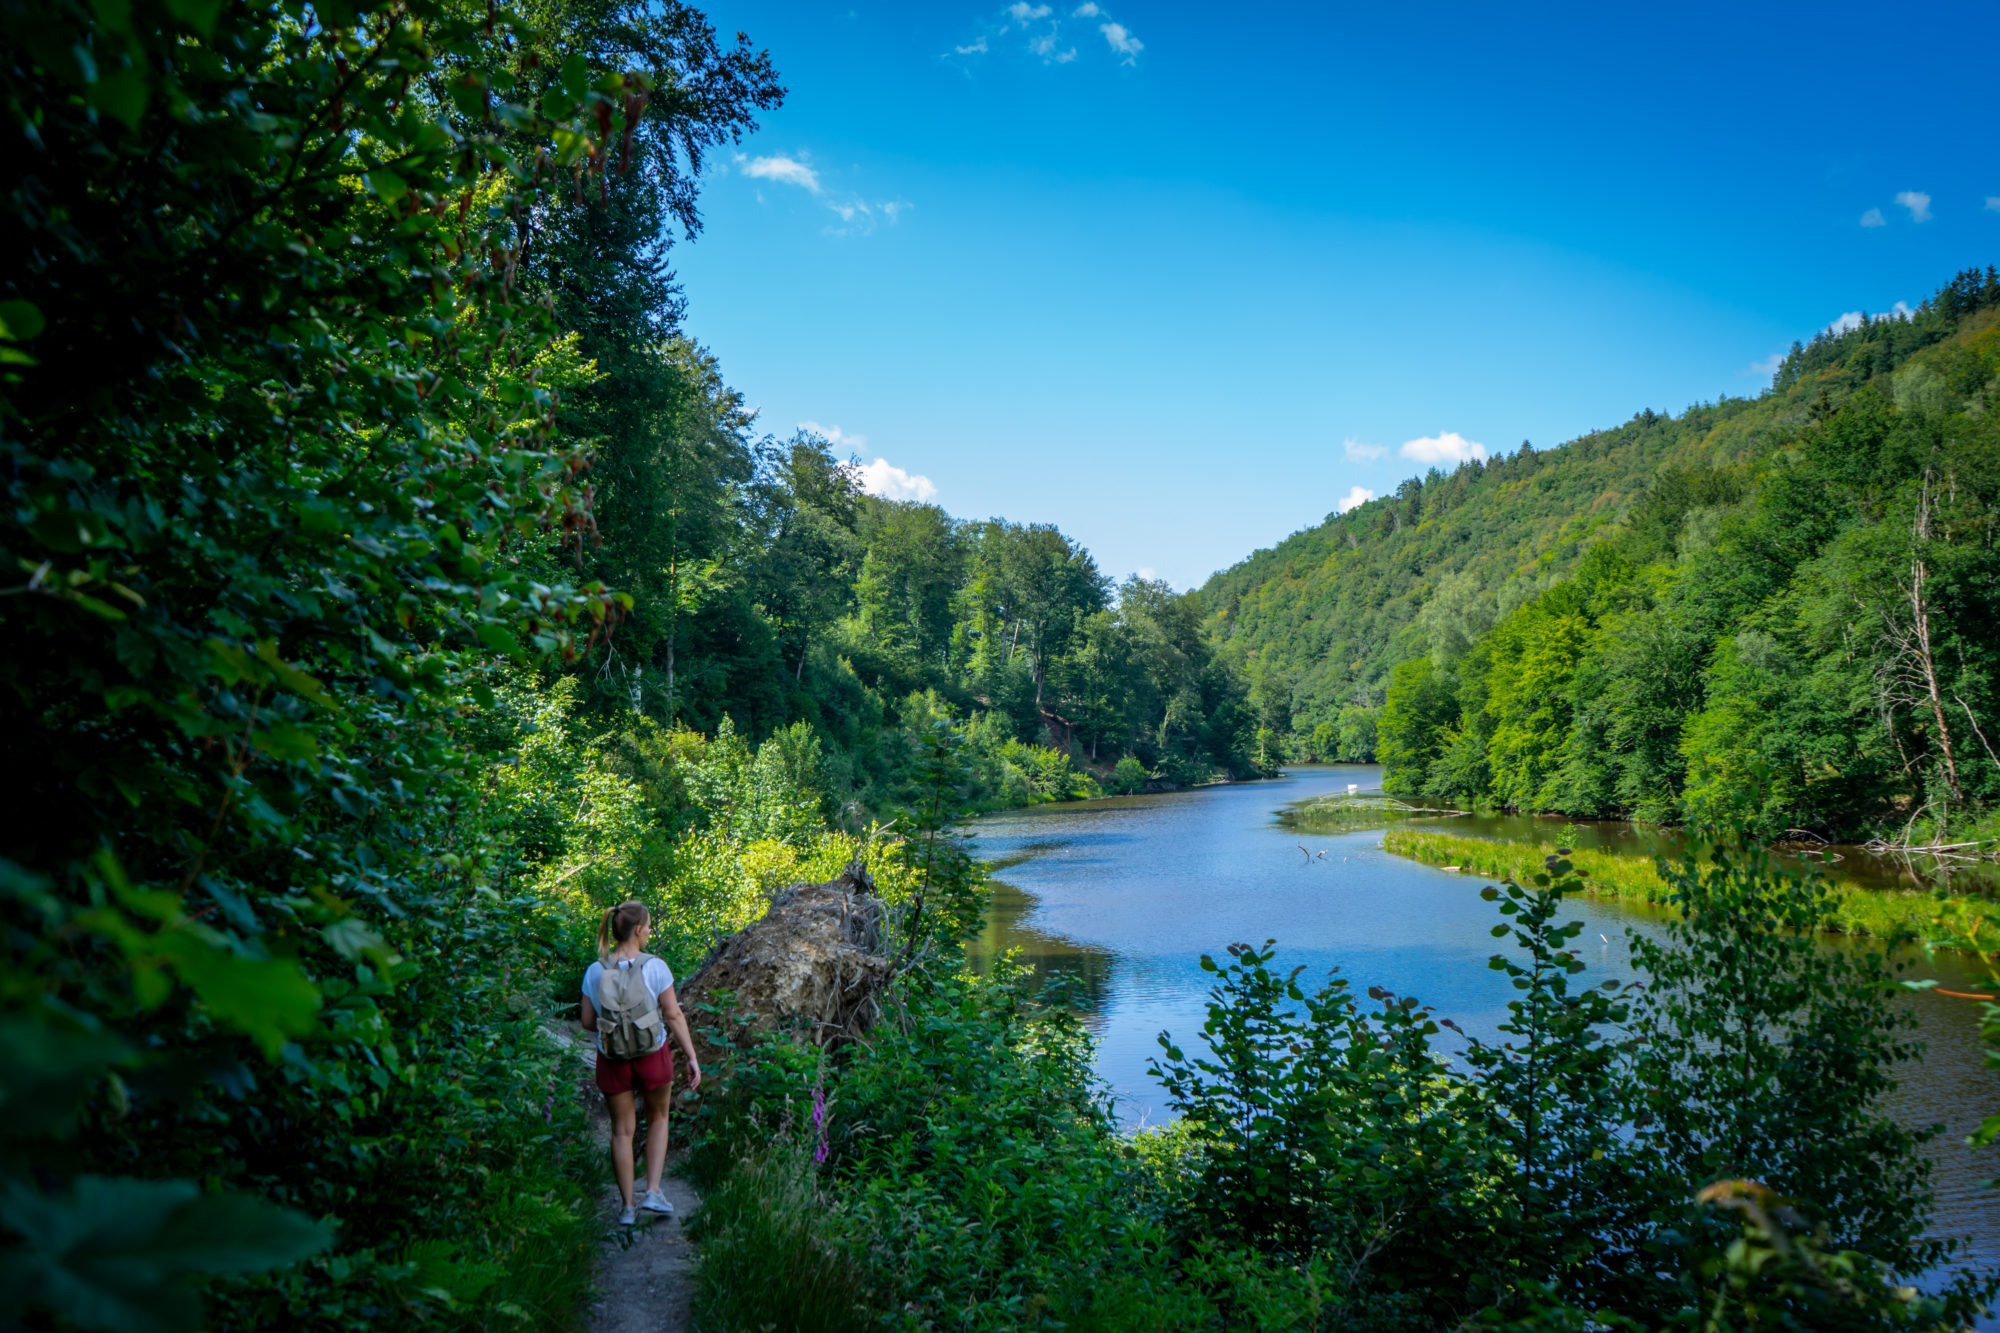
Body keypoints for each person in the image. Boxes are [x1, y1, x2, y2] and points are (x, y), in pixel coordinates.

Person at [580, 901, 703, 1226]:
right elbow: (673, 1015)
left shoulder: (595, 970)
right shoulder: (655, 967)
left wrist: (617, 1029)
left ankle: (628, 1208)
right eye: (648, 926)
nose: (650, 931)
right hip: (652, 1054)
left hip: (612, 1059)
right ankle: (652, 1191)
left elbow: (587, 1022)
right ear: (637, 930)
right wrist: (691, 1056)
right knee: (659, 1117)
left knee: (622, 1131)